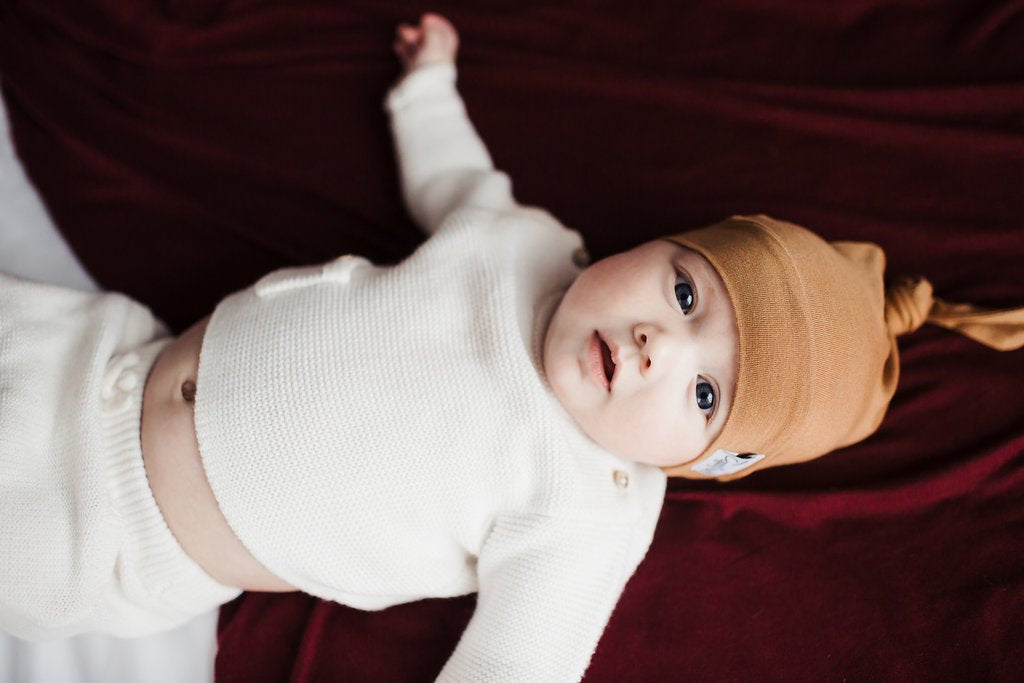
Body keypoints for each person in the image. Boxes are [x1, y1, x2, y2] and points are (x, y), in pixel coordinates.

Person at [2, 11, 1022, 681]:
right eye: (681, 290)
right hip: (93, 355)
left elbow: (514, 666)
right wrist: (427, 91)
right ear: (649, 246)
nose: (659, 344)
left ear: (701, 459)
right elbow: (454, 184)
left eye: (705, 393)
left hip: (118, 535)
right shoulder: (529, 246)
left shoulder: (587, 508)